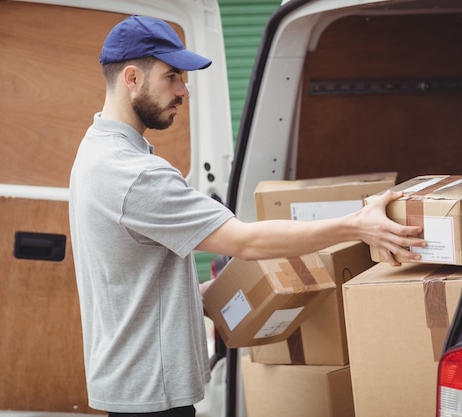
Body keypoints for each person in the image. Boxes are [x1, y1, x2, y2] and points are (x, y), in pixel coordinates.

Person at [68, 14, 426, 417]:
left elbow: (130, 270)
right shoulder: (135, 174)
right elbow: (245, 242)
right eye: (172, 76)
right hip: (152, 392)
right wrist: (357, 225)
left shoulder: (96, 149)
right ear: (131, 78)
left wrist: (199, 295)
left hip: (132, 380)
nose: (184, 90)